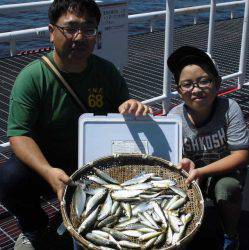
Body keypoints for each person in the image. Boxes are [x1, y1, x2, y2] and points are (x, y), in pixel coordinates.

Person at [0, 0, 152, 249]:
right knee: (9, 179)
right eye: (70, 28)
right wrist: (48, 171)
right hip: (48, 161)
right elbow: (19, 134)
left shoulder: (108, 72)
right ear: (52, 32)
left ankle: (79, 212)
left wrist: (132, 106)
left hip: (94, 160)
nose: (80, 37)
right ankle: (35, 228)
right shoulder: (32, 77)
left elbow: (124, 110)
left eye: (89, 29)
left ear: (96, 35)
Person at [167, 46, 249, 250]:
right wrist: (185, 162)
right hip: (194, 174)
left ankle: (230, 234)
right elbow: (178, 159)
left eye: (204, 80)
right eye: (187, 84)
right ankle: (185, 232)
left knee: (227, 189)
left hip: (225, 172)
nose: (195, 89)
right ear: (178, 90)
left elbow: (241, 155)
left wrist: (201, 171)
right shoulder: (174, 118)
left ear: (217, 83)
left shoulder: (230, 108)